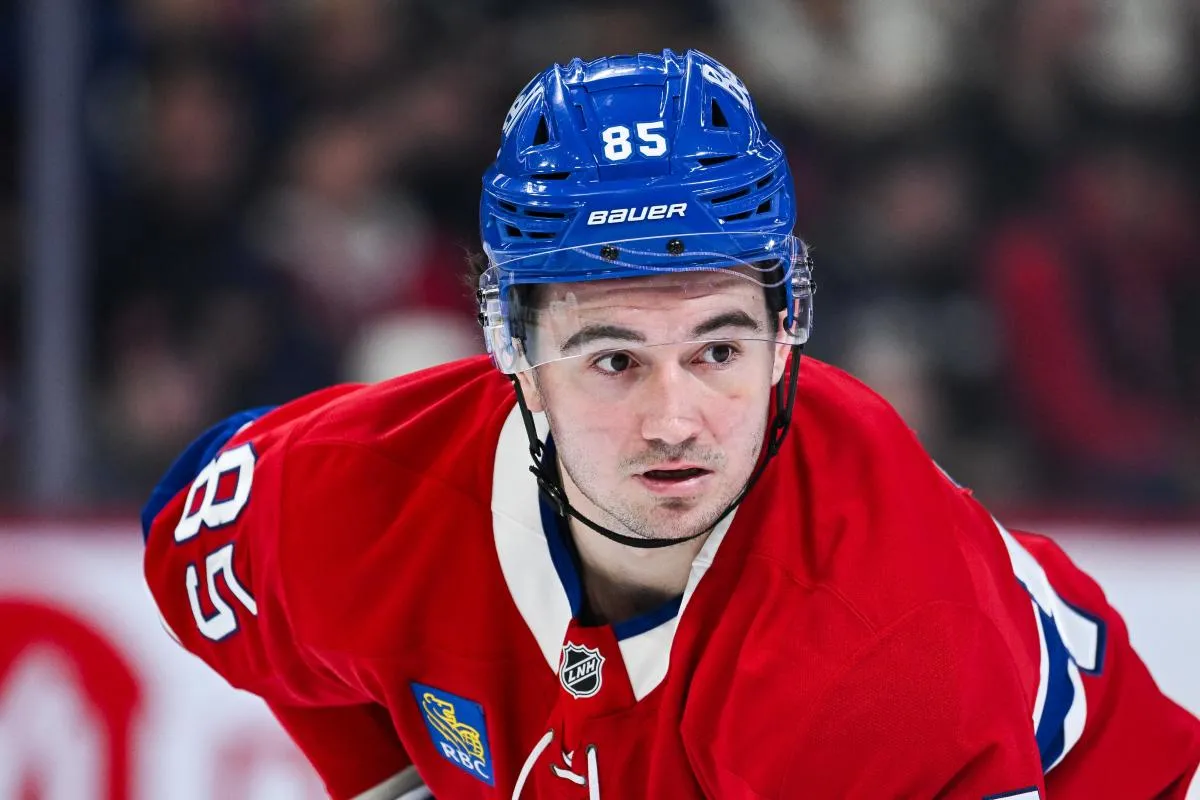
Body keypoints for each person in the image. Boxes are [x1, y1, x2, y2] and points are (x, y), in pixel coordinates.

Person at [142, 50, 1200, 799]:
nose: (675, 420)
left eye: (719, 350)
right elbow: (197, 536)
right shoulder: (356, 492)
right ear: (518, 353)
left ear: (789, 335)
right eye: (613, 358)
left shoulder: (874, 651)